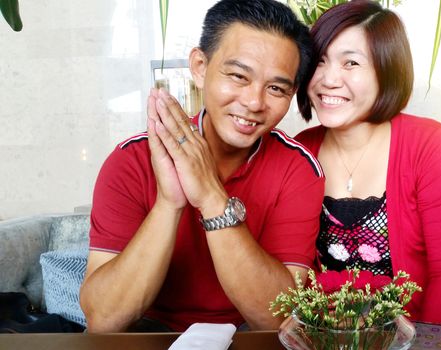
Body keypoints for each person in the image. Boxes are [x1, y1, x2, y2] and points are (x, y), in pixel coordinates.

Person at [80, 0, 324, 333]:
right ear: (199, 66)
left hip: (248, 335)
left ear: (292, 93)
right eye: (238, 76)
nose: (254, 102)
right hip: (149, 333)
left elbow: (277, 319)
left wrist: (211, 197)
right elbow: (104, 320)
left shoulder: (298, 169)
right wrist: (169, 203)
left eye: (276, 88)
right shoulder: (130, 160)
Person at [295, 0, 441, 327]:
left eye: (350, 63)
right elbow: (298, 276)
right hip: (354, 338)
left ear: (387, 70)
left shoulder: (429, 144)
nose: (328, 79)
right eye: (320, 61)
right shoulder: (301, 151)